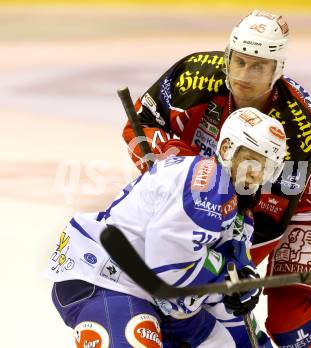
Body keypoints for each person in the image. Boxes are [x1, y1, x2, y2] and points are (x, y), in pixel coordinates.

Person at [122, 9, 311, 348]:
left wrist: (236, 269)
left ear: (278, 70)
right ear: (227, 56)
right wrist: (177, 168)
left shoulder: (298, 129)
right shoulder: (192, 77)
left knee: (293, 327)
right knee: (183, 296)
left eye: (258, 66)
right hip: (218, 188)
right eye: (239, 62)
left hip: (306, 206)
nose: (244, 75)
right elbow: (138, 124)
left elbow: (269, 223)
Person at [45, 108, 286, 347]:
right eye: (252, 162)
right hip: (106, 280)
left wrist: (244, 286)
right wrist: (228, 276)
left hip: (159, 301)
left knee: (224, 343)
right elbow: (170, 268)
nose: (257, 175)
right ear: (226, 149)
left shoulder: (240, 217)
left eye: (268, 167)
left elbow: (232, 279)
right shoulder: (209, 183)